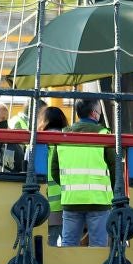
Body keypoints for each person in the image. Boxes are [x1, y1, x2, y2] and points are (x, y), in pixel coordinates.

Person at [50, 98, 116, 247]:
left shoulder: (63, 135)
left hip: (71, 200)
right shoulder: (103, 134)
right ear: (94, 113)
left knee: (68, 245)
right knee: (98, 245)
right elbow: (114, 168)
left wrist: (70, 184)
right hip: (98, 201)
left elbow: (55, 170)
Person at [39, 105, 69, 246]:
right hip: (68, 203)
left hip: (44, 204)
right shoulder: (69, 142)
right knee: (70, 246)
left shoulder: (37, 143)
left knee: (46, 248)